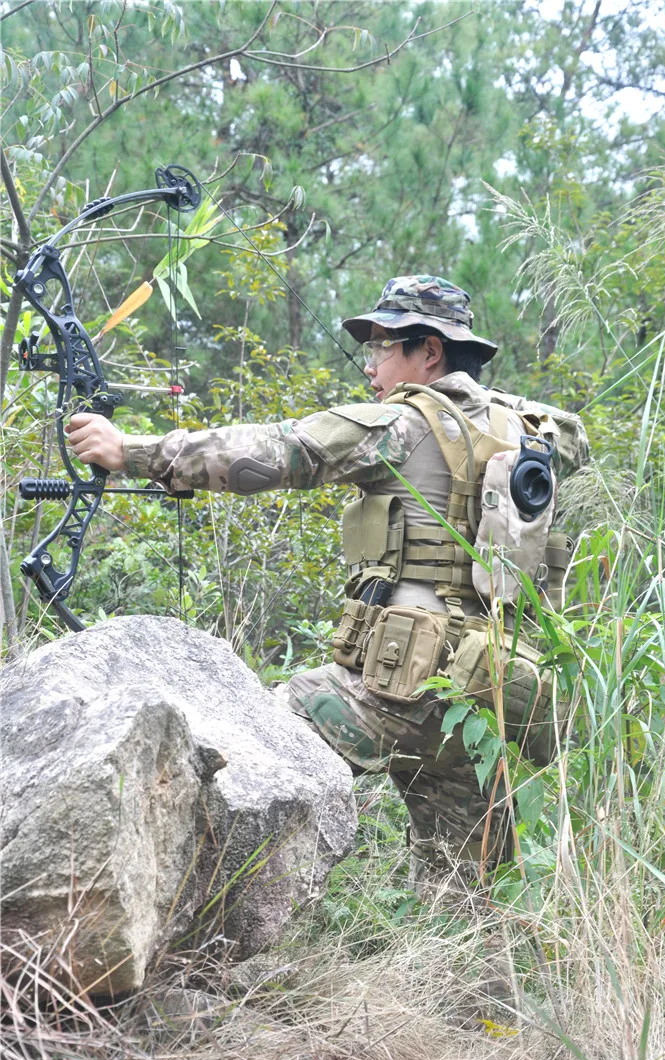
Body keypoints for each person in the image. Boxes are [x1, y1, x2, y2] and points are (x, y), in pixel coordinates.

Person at [67, 275, 583, 892]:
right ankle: (476, 991)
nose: (370, 366)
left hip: (396, 689)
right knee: (469, 894)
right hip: (484, 697)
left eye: (383, 347)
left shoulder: (402, 425)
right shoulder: (533, 433)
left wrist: (134, 451)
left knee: (254, 743)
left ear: (430, 352)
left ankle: (185, 917)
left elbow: (279, 451)